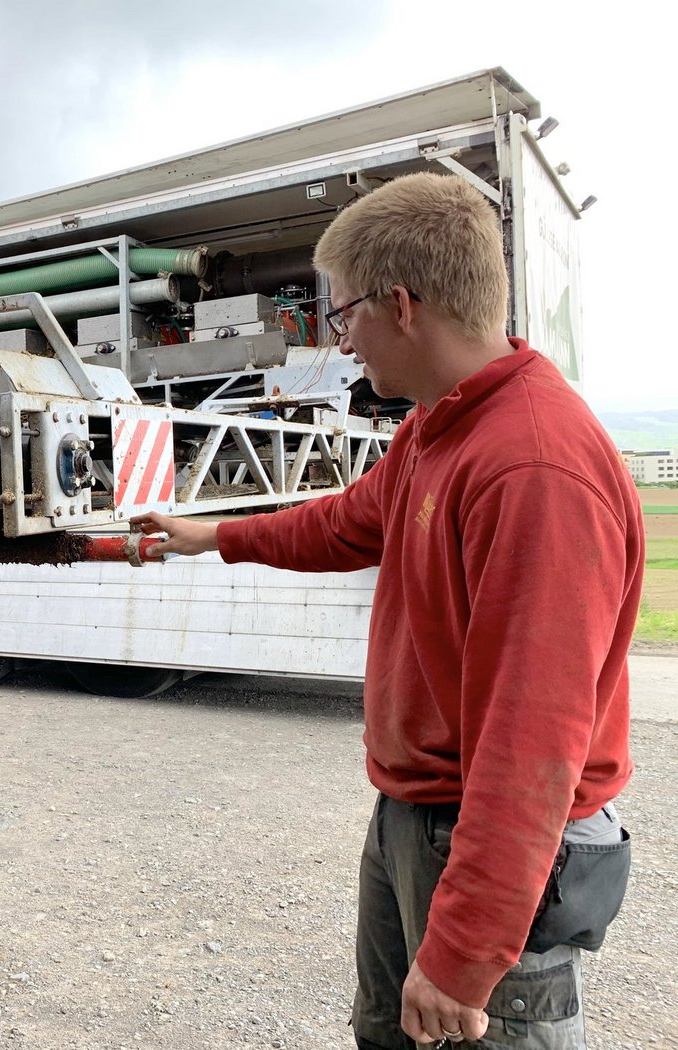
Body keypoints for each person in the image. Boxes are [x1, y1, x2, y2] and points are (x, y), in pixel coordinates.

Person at [131, 172, 641, 1049]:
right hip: (419, 814)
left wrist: (467, 952)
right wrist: (211, 534)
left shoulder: (532, 468)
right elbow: (345, 522)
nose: (342, 341)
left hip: (494, 832)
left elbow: (533, 741)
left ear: (400, 306)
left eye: (343, 316)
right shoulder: (436, 427)